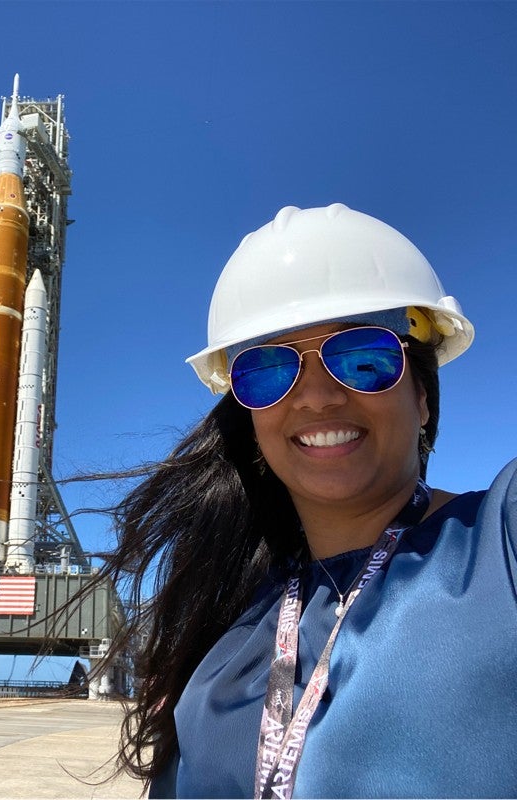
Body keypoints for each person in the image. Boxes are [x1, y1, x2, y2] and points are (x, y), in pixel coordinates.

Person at [98, 204, 516, 798]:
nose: (317, 397)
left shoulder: (498, 546)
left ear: (423, 397)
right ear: (249, 417)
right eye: (269, 370)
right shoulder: (224, 644)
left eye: (364, 358)